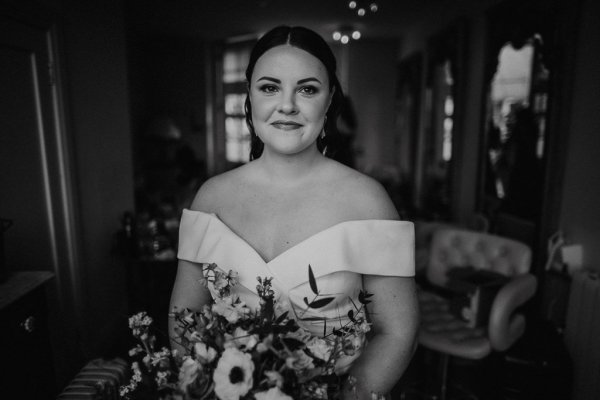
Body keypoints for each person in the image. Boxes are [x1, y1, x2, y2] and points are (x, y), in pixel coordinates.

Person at [169, 25, 418, 399]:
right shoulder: (210, 198)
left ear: (330, 99)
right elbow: (183, 321)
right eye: (269, 87)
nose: (287, 105)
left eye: (307, 89)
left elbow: (399, 333)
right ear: (249, 97)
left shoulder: (369, 202)